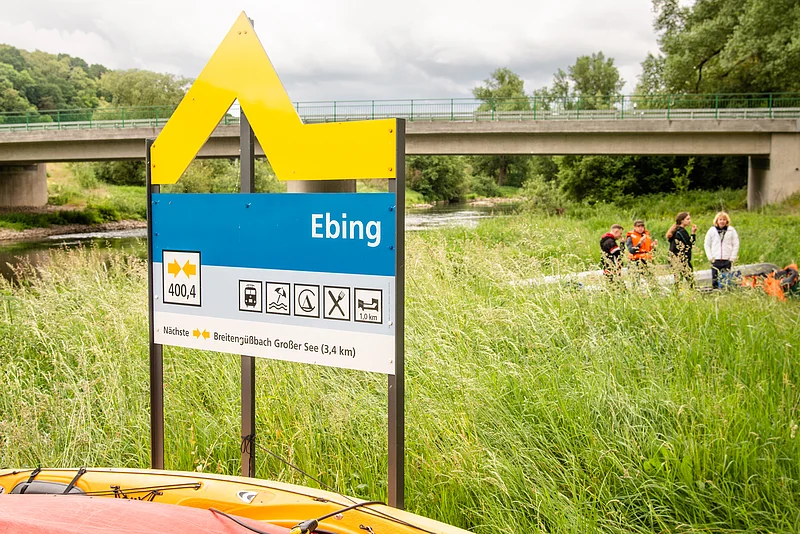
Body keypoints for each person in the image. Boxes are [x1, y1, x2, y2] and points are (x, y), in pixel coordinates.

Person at [703, 211, 740, 289]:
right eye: (720, 219)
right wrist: (710, 257)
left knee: (726, 279)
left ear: (727, 221)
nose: (722, 221)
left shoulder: (731, 230)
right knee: (715, 279)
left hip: (727, 259)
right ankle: (715, 292)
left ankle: (725, 292)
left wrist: (732, 257)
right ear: (717, 221)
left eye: (724, 219)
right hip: (715, 259)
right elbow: (707, 244)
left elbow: (736, 244)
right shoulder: (712, 230)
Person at [666, 212, 697, 288]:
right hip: (682, 259)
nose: (689, 221)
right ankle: (692, 295)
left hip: (674, 259)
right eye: (687, 219)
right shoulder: (681, 231)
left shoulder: (675, 231)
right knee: (690, 280)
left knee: (678, 280)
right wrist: (693, 233)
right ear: (682, 221)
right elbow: (689, 244)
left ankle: (677, 295)